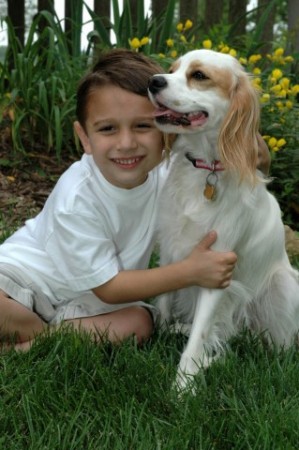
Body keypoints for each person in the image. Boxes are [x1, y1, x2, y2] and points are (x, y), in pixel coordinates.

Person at [0, 49, 268, 352]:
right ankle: (40, 335)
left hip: (91, 307)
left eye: (143, 126)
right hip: (22, 280)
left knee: (139, 323)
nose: (126, 144)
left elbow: (241, 156)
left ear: (168, 123)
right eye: (107, 129)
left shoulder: (167, 173)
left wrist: (250, 145)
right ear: (84, 137)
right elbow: (109, 287)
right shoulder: (76, 197)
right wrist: (190, 271)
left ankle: (27, 342)